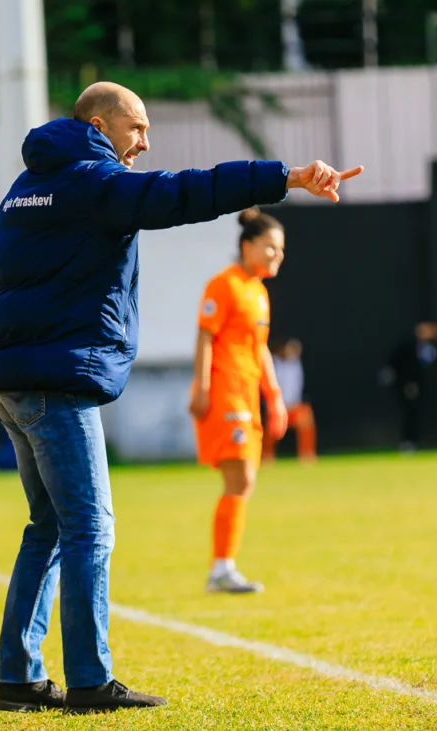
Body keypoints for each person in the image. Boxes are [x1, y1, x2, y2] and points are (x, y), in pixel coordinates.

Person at [0, 80, 363, 715]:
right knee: (89, 527)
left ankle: (19, 677)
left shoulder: (23, 191)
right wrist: (285, 177)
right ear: (99, 126)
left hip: (11, 380)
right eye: (138, 128)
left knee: (49, 528)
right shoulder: (94, 181)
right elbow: (185, 191)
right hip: (54, 385)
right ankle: (89, 681)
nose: (146, 143)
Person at [189, 208, 290, 594]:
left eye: (281, 249)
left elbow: (260, 349)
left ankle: (223, 567)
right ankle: (221, 569)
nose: (277, 255)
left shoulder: (259, 293)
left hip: (247, 395)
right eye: (270, 247)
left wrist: (275, 397)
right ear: (247, 246)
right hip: (225, 392)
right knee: (241, 478)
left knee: (245, 481)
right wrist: (201, 387)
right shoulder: (224, 285)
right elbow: (205, 336)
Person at [384, 321, 437, 451]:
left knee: (419, 413)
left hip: (420, 386)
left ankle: (417, 440)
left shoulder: (430, 347)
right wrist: (407, 383)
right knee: (409, 413)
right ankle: (407, 441)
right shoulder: (407, 345)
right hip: (406, 385)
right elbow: (397, 363)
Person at [261, 338, 317, 464]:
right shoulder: (274, 363)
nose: (292, 352)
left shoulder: (296, 364)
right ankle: (266, 455)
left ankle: (307, 454)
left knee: (307, 421)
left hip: (294, 406)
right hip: (278, 405)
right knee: (272, 430)